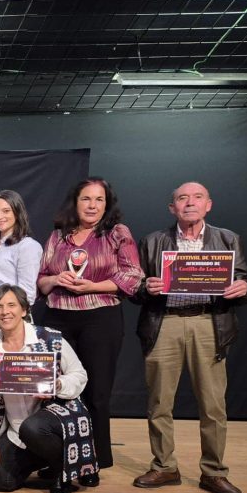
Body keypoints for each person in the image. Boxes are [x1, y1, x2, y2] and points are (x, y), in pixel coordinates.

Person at [131, 182, 247, 493]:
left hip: (208, 322)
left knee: (213, 405)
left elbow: (241, 280)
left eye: (197, 197)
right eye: (181, 198)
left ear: (208, 205)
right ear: (172, 208)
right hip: (165, 323)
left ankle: (213, 472)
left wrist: (245, 288)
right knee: (159, 403)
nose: (189, 202)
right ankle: (164, 466)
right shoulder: (153, 241)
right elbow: (135, 287)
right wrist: (148, 288)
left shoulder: (228, 239)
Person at [36, 177, 143, 475]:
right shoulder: (59, 236)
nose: (92, 205)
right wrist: (56, 280)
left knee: (96, 391)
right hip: (57, 317)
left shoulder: (116, 234)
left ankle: (94, 459)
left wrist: (93, 286)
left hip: (100, 318)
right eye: (86, 198)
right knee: (56, 390)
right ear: (76, 202)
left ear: (107, 205)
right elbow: (41, 280)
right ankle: (56, 456)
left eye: (99, 200)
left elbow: (133, 277)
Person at [0, 285, 98, 493]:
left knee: (33, 427)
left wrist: (57, 384)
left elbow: (79, 374)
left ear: (24, 310)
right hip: (15, 430)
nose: (5, 311)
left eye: (11, 305)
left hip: (52, 420)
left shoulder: (50, 339)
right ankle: (43, 458)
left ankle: (60, 473)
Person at [0, 189, 43, 345]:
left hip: (10, 315)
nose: (0, 217)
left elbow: (27, 292)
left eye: (6, 211)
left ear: (17, 211)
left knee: (12, 367)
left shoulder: (28, 246)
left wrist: (9, 312)